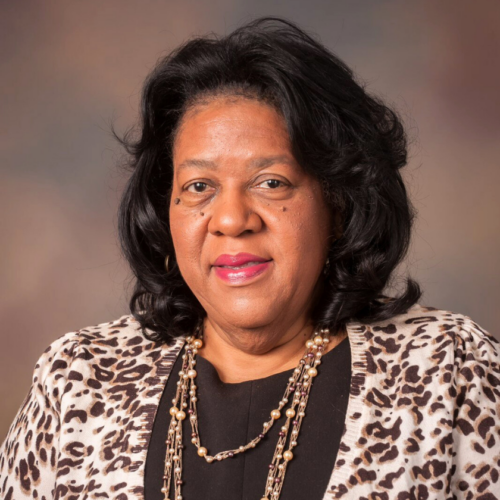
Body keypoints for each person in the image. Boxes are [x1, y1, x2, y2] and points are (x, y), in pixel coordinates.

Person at [1, 16, 499, 500]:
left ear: (340, 202)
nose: (232, 219)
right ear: (165, 210)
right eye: (199, 187)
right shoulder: (80, 380)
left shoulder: (446, 371)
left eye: (271, 182)